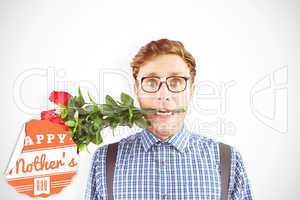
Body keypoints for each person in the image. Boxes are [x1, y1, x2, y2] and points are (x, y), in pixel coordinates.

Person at [85, 38, 254, 199]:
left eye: (176, 82)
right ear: (136, 89)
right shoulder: (104, 159)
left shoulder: (228, 160)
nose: (163, 95)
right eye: (151, 82)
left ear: (191, 90)